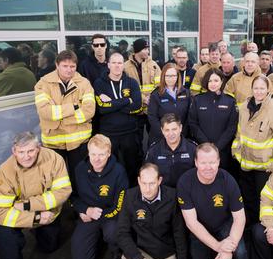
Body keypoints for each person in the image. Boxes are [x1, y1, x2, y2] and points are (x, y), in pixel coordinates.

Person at [177, 143, 250, 259]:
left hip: (224, 225)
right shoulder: (185, 182)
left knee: (239, 252)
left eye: (212, 162)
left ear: (219, 161)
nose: (208, 167)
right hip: (200, 228)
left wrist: (228, 247)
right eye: (203, 162)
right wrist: (218, 246)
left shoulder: (228, 180)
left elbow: (239, 218)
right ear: (195, 162)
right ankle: (213, 250)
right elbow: (191, 223)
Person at [117, 163, 189, 259]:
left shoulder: (172, 196)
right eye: (144, 183)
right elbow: (122, 233)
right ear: (138, 181)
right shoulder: (130, 196)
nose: (147, 188)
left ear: (159, 181)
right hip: (141, 250)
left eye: (152, 183)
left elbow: (179, 232)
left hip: (164, 253)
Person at [232, 75, 273, 226]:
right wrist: (236, 152)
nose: (258, 91)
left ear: (268, 89)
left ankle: (261, 231)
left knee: (263, 202)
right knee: (247, 199)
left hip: (264, 168)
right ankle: (249, 229)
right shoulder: (244, 107)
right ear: (252, 89)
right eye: (256, 88)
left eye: (262, 88)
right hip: (245, 164)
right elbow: (239, 132)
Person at [34, 49, 95, 185]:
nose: (69, 70)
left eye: (72, 66)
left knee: (79, 178)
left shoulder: (84, 83)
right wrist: (74, 107)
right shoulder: (43, 84)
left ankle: (77, 203)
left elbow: (89, 111)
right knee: (55, 180)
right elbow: (45, 112)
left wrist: (60, 117)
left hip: (79, 141)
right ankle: (62, 205)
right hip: (53, 143)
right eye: (65, 66)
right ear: (57, 65)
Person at [71, 134, 127, 259]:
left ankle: (115, 250)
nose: (96, 159)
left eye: (101, 154)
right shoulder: (80, 169)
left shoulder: (119, 171)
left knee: (113, 233)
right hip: (88, 215)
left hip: (111, 216)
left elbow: (120, 206)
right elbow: (72, 196)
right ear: (88, 153)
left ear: (108, 153)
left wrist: (98, 215)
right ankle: (97, 237)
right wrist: (84, 210)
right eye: (93, 154)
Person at [94, 53, 143, 186]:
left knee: (132, 165)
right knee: (110, 166)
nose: (117, 66)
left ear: (123, 65)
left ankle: (133, 191)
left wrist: (113, 103)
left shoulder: (131, 82)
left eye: (120, 63)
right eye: (114, 63)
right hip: (109, 134)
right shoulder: (99, 83)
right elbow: (102, 108)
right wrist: (127, 100)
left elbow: (138, 106)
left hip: (130, 132)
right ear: (108, 65)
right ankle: (113, 191)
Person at [189, 68, 239, 172]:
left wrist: (218, 146)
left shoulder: (230, 101)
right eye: (210, 81)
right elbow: (193, 124)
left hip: (223, 150)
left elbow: (232, 127)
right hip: (202, 148)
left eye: (216, 80)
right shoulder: (198, 100)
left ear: (222, 81)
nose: (213, 84)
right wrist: (206, 143)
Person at [145, 114, 196, 188]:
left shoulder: (193, 149)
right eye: (167, 130)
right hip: (164, 194)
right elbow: (148, 174)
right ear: (162, 131)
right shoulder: (154, 150)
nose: (171, 134)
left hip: (187, 191)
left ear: (180, 128)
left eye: (174, 129)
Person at [147, 63, 191, 145]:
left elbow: (189, 116)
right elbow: (152, 117)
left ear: (178, 76)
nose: (171, 78)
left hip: (181, 136)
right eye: (167, 76)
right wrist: (166, 134)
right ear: (163, 76)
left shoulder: (186, 93)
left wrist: (181, 133)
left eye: (173, 76)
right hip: (160, 138)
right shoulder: (156, 94)